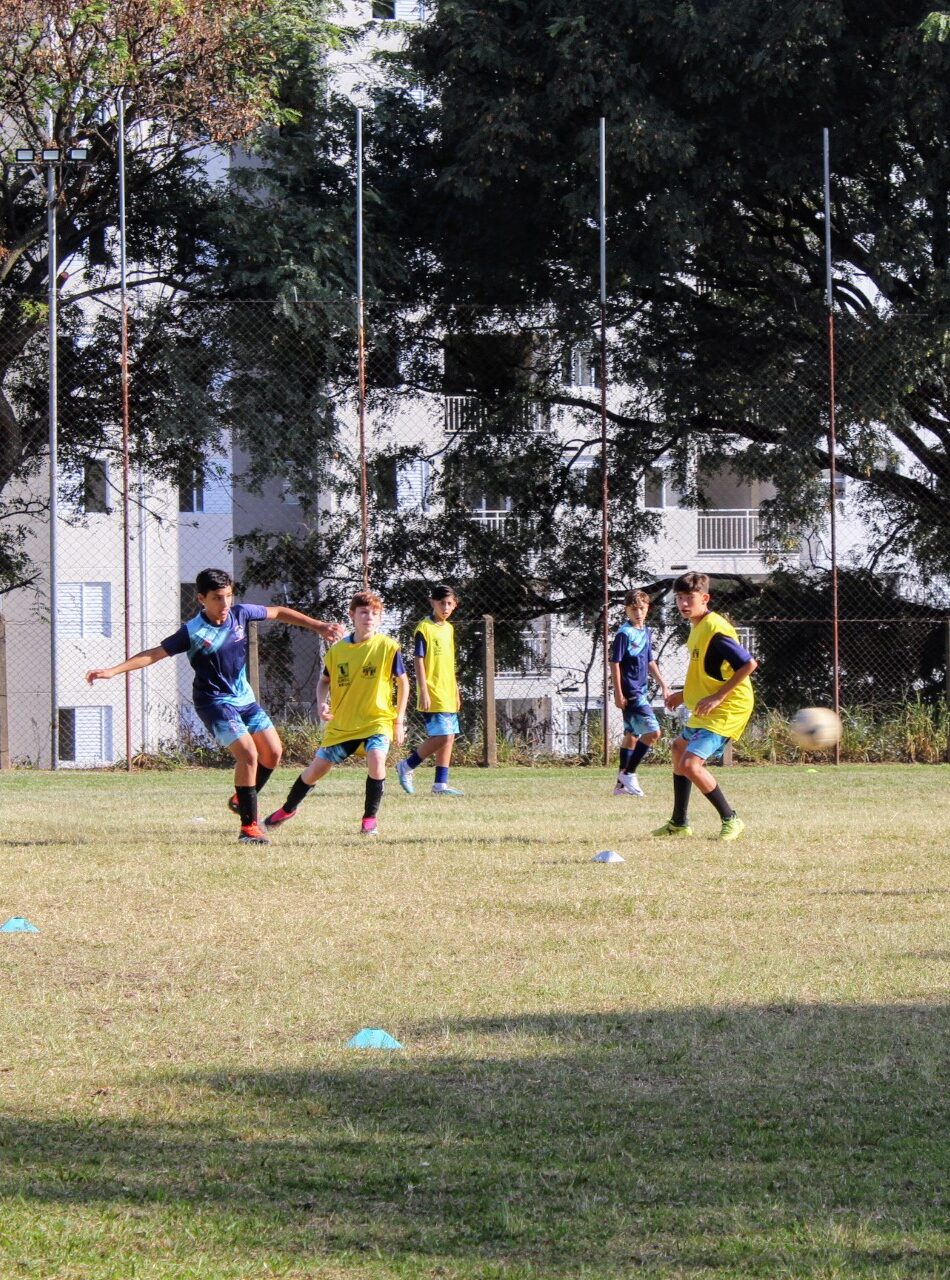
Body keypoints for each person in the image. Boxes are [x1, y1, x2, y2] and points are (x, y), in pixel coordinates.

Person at [86, 567, 344, 845]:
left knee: (273, 753)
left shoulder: (240, 614)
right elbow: (154, 654)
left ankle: (242, 797)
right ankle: (249, 828)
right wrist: (114, 670)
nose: (225, 604)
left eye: (228, 596)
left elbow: (279, 611)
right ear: (201, 599)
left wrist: (319, 626)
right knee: (247, 754)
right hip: (213, 702)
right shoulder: (193, 631)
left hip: (243, 698)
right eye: (218, 598)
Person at [264, 589, 409, 837]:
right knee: (315, 771)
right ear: (352, 615)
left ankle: (369, 820)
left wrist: (398, 720)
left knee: (376, 760)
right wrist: (322, 703)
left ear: (380, 618)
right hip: (343, 724)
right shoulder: (337, 651)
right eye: (364, 612)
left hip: (377, 720)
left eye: (375, 613)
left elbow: (403, 682)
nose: (369, 617)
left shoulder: (388, 647)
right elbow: (324, 682)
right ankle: (288, 809)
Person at [654, 571, 758, 841]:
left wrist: (719, 697)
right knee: (678, 748)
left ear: (705, 598)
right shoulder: (697, 627)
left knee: (691, 764)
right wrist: (682, 694)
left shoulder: (715, 628)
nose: (683, 604)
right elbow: (708, 671)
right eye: (679, 598)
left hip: (728, 708)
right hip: (709, 707)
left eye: (690, 597)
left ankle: (731, 819)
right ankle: (679, 823)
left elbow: (748, 664)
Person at [397, 584, 464, 797]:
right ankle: (407, 765)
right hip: (433, 690)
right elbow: (418, 659)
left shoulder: (449, 628)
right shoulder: (423, 628)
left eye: (449, 603)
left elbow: (450, 662)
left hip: (447, 690)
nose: (445, 607)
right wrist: (423, 690)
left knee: (450, 735)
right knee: (443, 735)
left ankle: (440, 785)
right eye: (441, 602)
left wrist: (455, 689)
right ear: (432, 602)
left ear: (454, 605)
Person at [610, 588, 670, 797]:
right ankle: (629, 773)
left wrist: (663, 683)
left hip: (641, 690)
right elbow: (615, 664)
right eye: (633, 609)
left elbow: (649, 660)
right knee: (654, 732)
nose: (638, 613)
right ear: (626, 610)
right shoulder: (624, 634)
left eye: (641, 608)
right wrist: (618, 693)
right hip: (631, 692)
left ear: (647, 609)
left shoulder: (645, 631)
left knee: (632, 735)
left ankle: (620, 786)